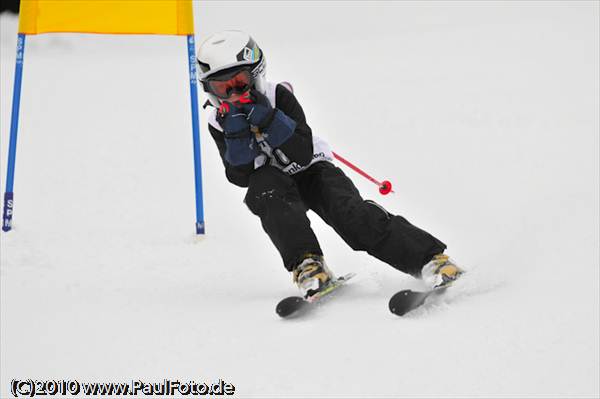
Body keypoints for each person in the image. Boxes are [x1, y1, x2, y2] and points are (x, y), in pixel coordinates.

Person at [196, 30, 463, 298]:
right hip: (274, 181)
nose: (232, 93)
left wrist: (269, 119)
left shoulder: (279, 96)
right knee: (264, 191)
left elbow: (301, 152)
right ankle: (309, 266)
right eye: (222, 87)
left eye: (240, 83)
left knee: (351, 216)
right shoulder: (217, 122)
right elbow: (240, 177)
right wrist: (237, 135)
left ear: (256, 74)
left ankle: (431, 260)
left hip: (313, 170)